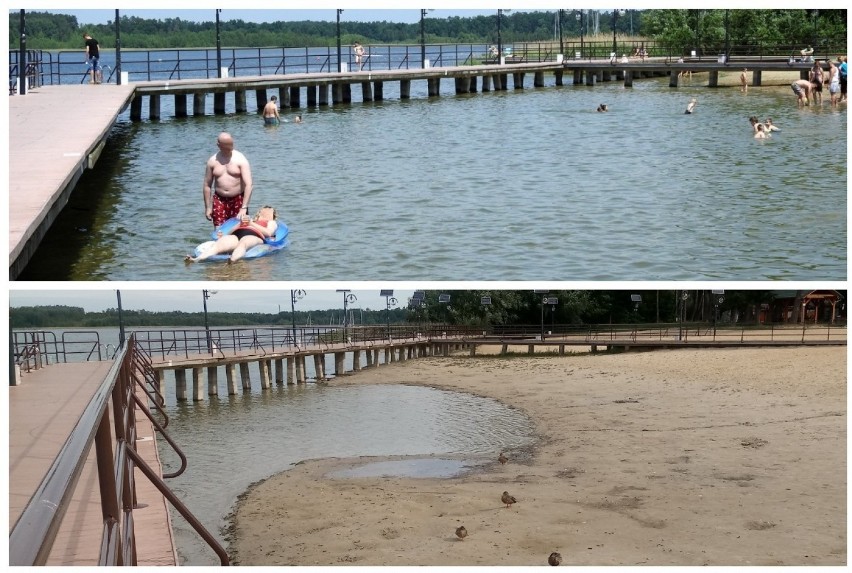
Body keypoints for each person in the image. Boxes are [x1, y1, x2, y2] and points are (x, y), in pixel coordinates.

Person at [186, 206, 278, 263]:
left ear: (273, 215)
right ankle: (196, 260)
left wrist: (251, 224)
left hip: (254, 235)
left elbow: (269, 233)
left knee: (243, 244)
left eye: (270, 210)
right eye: (266, 208)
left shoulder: (271, 222)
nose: (268, 210)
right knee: (218, 245)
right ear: (260, 211)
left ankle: (232, 260)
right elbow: (229, 232)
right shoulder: (250, 219)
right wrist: (241, 223)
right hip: (237, 233)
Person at [203, 132, 253, 227]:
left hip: (238, 199)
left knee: (239, 228)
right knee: (219, 230)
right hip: (219, 199)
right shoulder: (212, 161)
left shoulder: (240, 159)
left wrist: (244, 207)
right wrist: (208, 207)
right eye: (226, 145)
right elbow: (207, 185)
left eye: (231, 144)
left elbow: (249, 185)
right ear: (219, 145)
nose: (230, 147)